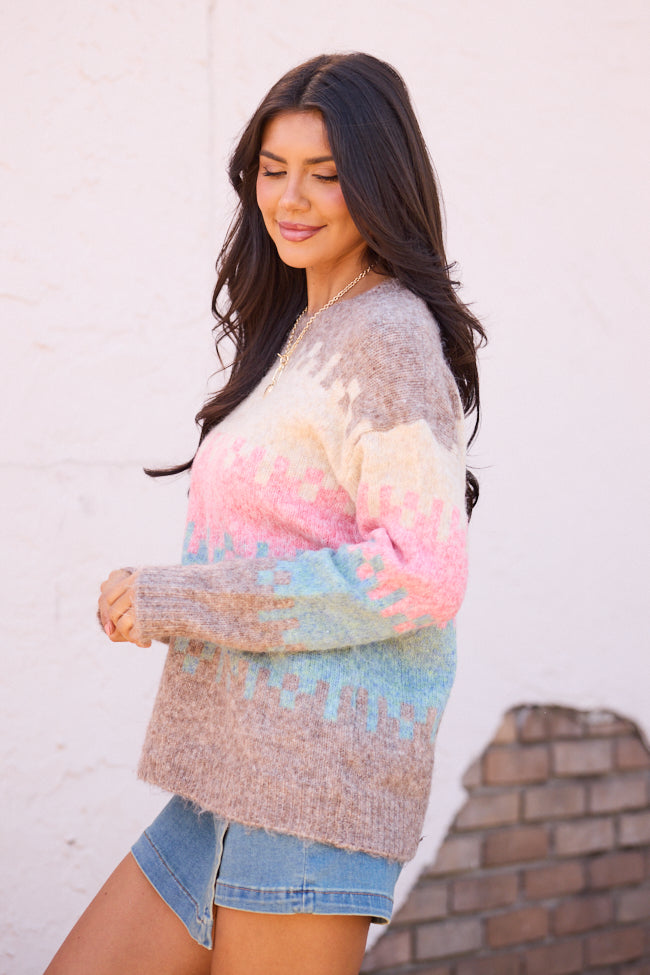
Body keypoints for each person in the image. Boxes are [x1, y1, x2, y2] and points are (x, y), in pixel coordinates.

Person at [46, 52, 485, 975]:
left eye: (325, 174)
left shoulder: (387, 337)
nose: (291, 198)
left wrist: (182, 600)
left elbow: (421, 571)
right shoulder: (306, 332)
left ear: (380, 181)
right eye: (274, 170)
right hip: (222, 785)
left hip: (310, 800)